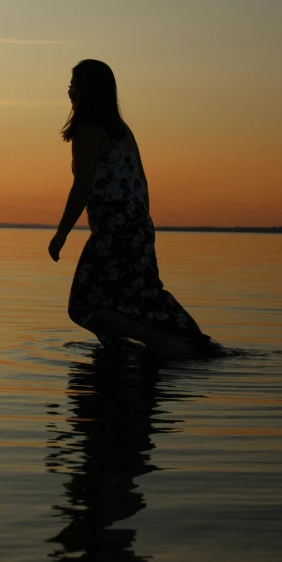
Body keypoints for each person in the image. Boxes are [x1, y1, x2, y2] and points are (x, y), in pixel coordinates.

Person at [48, 59, 222, 361]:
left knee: (84, 306)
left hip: (114, 230)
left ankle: (155, 341)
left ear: (87, 90)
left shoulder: (89, 132)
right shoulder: (121, 130)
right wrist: (140, 226)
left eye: (74, 83)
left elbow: (81, 189)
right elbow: (142, 181)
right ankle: (178, 345)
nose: (69, 88)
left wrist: (60, 235)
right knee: (142, 296)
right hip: (137, 225)